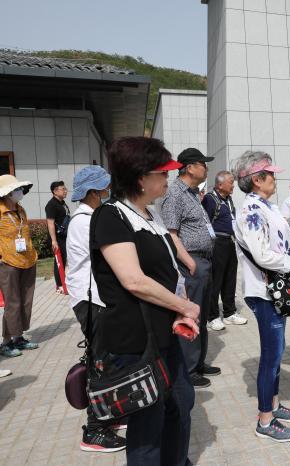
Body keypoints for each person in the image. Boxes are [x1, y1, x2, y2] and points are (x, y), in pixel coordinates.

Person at [91, 137, 199, 464]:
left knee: (180, 403)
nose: (168, 179)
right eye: (162, 173)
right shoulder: (111, 216)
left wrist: (181, 308)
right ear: (140, 178)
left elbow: (169, 271)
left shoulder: (151, 214)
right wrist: (185, 306)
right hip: (136, 340)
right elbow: (134, 280)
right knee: (148, 423)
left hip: (165, 332)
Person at [232, 150, 290, 442]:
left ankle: (274, 405)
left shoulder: (266, 206)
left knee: (277, 352)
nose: (275, 179)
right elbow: (262, 254)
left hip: (274, 290)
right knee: (272, 355)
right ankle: (265, 420)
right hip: (264, 292)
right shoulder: (251, 210)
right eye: (271, 175)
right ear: (257, 179)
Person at [65, 165, 127, 453]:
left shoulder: (90, 217)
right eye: (104, 187)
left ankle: (108, 415)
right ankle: (94, 430)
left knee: (107, 359)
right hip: (92, 301)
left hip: (97, 298)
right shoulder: (84, 221)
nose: (107, 191)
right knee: (100, 363)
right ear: (93, 192)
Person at [159, 147, 220, 389]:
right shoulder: (175, 194)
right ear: (190, 168)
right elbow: (171, 233)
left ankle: (199, 362)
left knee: (202, 314)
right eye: (203, 164)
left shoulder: (193, 194)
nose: (206, 168)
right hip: (192, 263)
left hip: (204, 261)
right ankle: (188, 369)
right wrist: (190, 262)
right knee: (191, 314)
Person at [202, 170, 247, 331]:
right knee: (216, 281)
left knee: (230, 279)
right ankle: (212, 316)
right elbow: (205, 222)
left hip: (229, 242)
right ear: (220, 185)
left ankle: (229, 313)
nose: (233, 185)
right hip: (217, 244)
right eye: (230, 182)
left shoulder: (228, 199)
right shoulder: (210, 199)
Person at [0, 175, 39, 358]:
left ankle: (19, 338)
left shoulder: (20, 209)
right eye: (16, 189)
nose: (20, 192)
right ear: (7, 193)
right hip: (8, 262)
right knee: (12, 303)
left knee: (25, 301)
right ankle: (6, 342)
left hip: (28, 260)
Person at [45, 180, 70, 294]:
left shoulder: (62, 203)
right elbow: (50, 223)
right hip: (57, 238)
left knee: (64, 259)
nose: (65, 191)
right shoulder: (51, 205)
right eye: (63, 189)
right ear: (55, 191)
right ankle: (59, 285)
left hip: (64, 236)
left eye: (65, 189)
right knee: (58, 260)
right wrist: (54, 241)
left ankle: (64, 282)